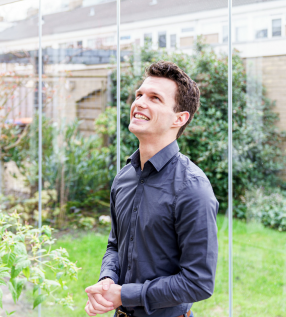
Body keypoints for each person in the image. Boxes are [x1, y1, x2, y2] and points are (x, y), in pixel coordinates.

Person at [84, 61, 219, 317]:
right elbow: (115, 245)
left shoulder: (193, 188)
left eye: (155, 98)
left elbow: (198, 281)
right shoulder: (123, 178)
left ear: (179, 118)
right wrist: (107, 279)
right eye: (139, 95)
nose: (140, 103)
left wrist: (125, 294)